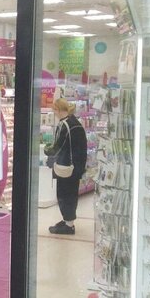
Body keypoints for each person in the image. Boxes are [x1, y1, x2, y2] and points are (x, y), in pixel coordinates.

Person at [44, 97, 87, 235]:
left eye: (54, 110)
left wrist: (47, 150)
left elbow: (57, 147)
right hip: (75, 166)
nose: (54, 113)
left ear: (58, 110)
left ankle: (68, 225)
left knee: (64, 194)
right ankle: (68, 221)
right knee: (70, 194)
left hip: (66, 166)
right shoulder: (74, 122)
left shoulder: (65, 125)